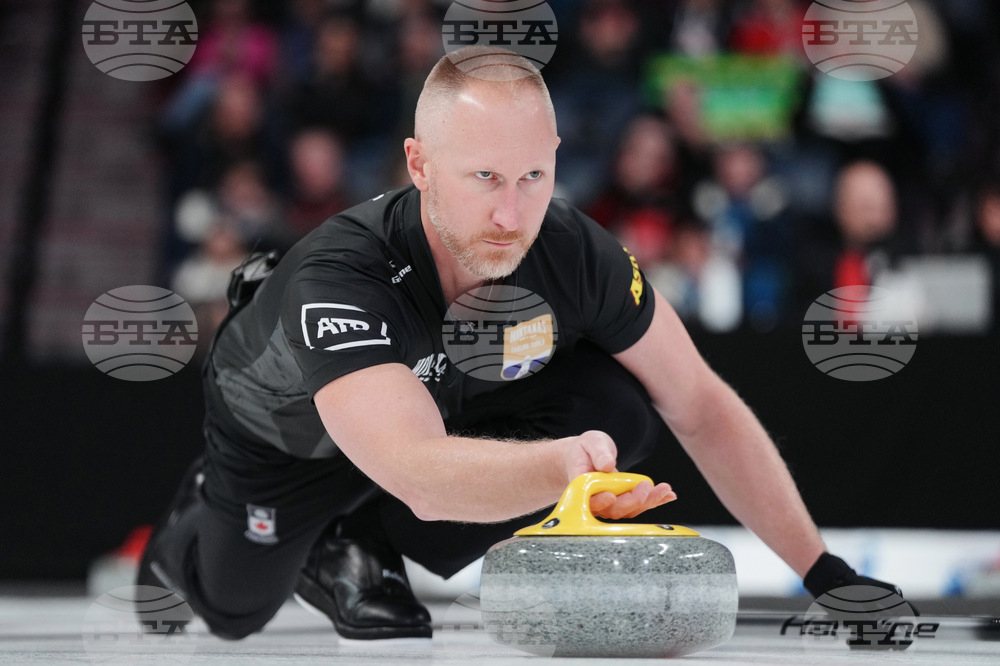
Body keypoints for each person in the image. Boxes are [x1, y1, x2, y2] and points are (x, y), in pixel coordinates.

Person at [138, 47, 912, 642]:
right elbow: (422, 474)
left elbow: (702, 403)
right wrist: (566, 468)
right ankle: (191, 536)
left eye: (533, 175)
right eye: (484, 177)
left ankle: (360, 531)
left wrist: (824, 573)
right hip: (287, 442)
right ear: (419, 166)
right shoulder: (341, 276)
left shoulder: (571, 248)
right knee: (234, 609)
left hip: (427, 412)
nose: (512, 214)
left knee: (620, 407)